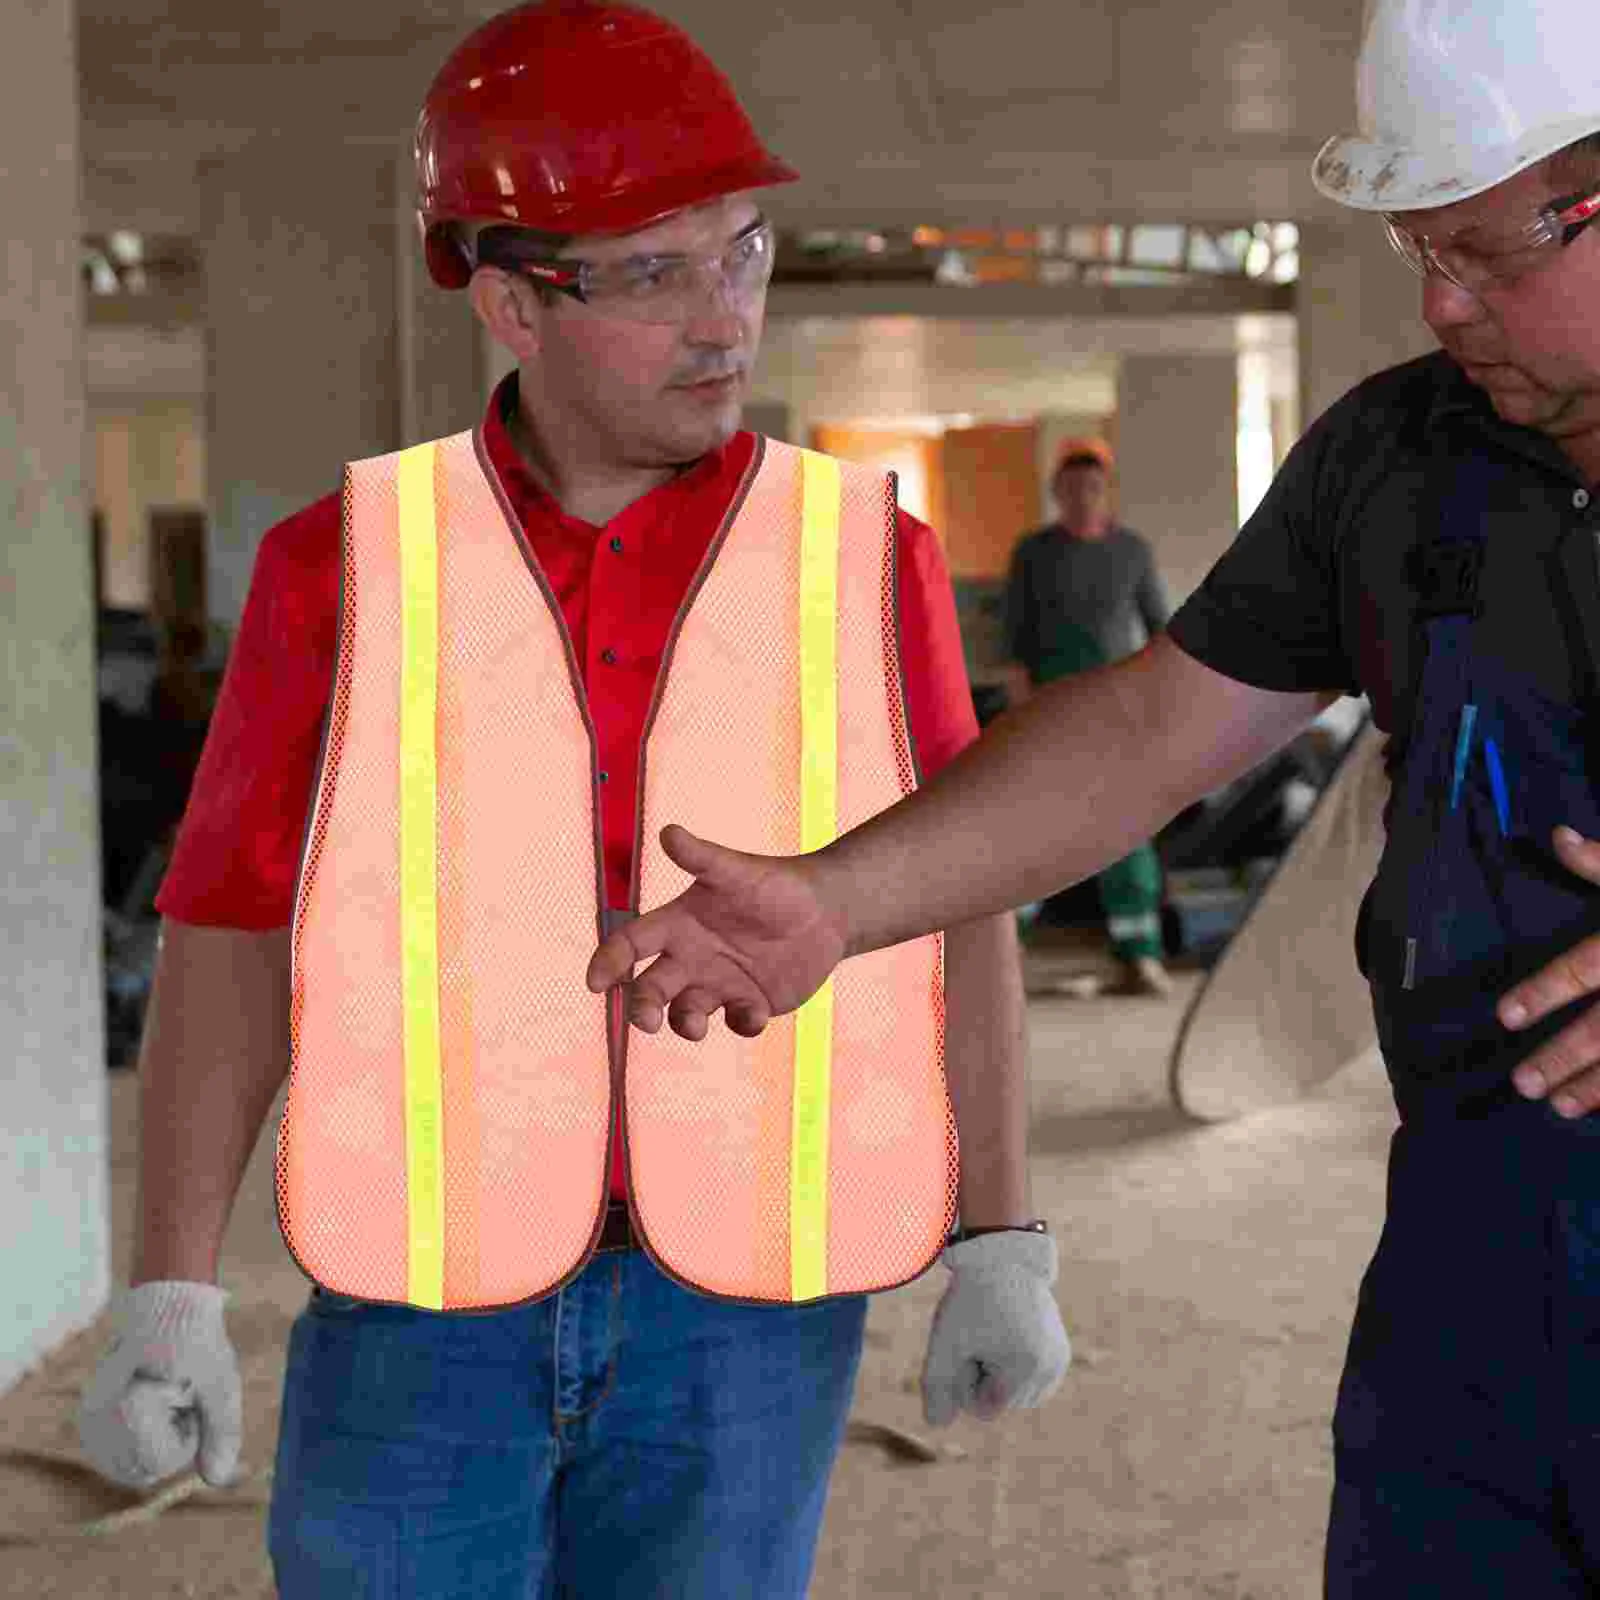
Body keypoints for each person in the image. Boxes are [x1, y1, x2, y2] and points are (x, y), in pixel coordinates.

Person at [588, 1, 1600, 1591]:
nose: (1441, 300)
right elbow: (1146, 729)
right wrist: (844, 899)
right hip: (1475, 1253)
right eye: (1418, 247)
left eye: (1488, 251)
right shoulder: (1401, 463)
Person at [73, 5, 1069, 1596]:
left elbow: (959, 906)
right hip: (417, 1304)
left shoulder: (862, 564)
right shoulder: (341, 572)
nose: (722, 322)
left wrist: (1001, 1233)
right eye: (652, 275)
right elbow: (232, 930)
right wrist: (170, 1289)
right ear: (513, 300)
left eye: (741, 253)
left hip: (752, 1311)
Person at [1004, 438, 1172, 995]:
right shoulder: (1033, 552)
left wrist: (1157, 700)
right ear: (1057, 492)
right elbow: (1013, 630)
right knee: (1032, 825)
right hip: (1048, 706)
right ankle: (1003, 950)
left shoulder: (1132, 552)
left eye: (1093, 487)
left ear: (1106, 493)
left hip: (1115, 708)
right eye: (1072, 487)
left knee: (1125, 827)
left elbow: (1160, 629)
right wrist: (1018, 691)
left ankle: (1139, 953)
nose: (1082, 496)